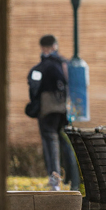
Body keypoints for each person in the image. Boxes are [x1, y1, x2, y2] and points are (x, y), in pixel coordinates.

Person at [28, 35, 70, 191]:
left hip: (47, 110)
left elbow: (34, 88)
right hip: (64, 111)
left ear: (43, 47)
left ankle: (54, 181)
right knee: (65, 142)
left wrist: (35, 103)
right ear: (56, 46)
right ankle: (71, 179)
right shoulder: (65, 64)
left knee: (50, 143)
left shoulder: (41, 67)